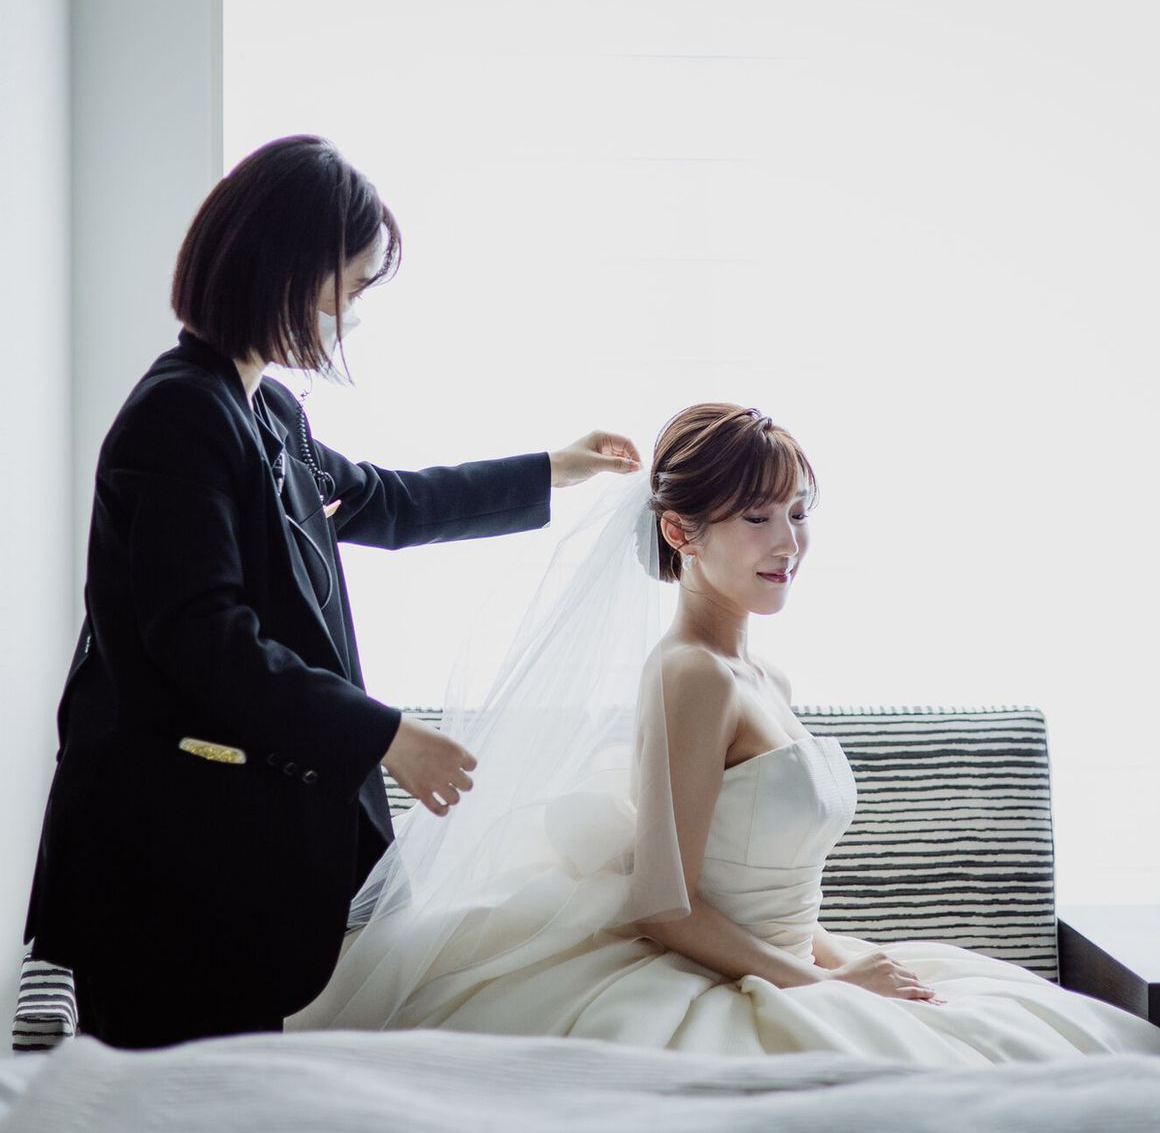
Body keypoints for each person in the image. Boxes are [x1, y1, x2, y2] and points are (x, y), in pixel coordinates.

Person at [289, 403, 1160, 1067]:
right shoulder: (690, 675)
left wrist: (851, 962)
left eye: (798, 512)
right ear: (681, 531)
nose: (789, 543)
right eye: (757, 517)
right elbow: (662, 906)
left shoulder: (765, 678)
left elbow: (775, 896)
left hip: (791, 957)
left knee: (1041, 1043)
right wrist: (829, 985)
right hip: (730, 978)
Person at [22, 134, 641, 1050]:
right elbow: (202, 638)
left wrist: (553, 468)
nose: (349, 313)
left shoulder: (264, 408)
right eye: (347, 287)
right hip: (164, 850)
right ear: (285, 271)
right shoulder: (179, 416)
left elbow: (383, 499)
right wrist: (384, 736)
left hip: (224, 854)